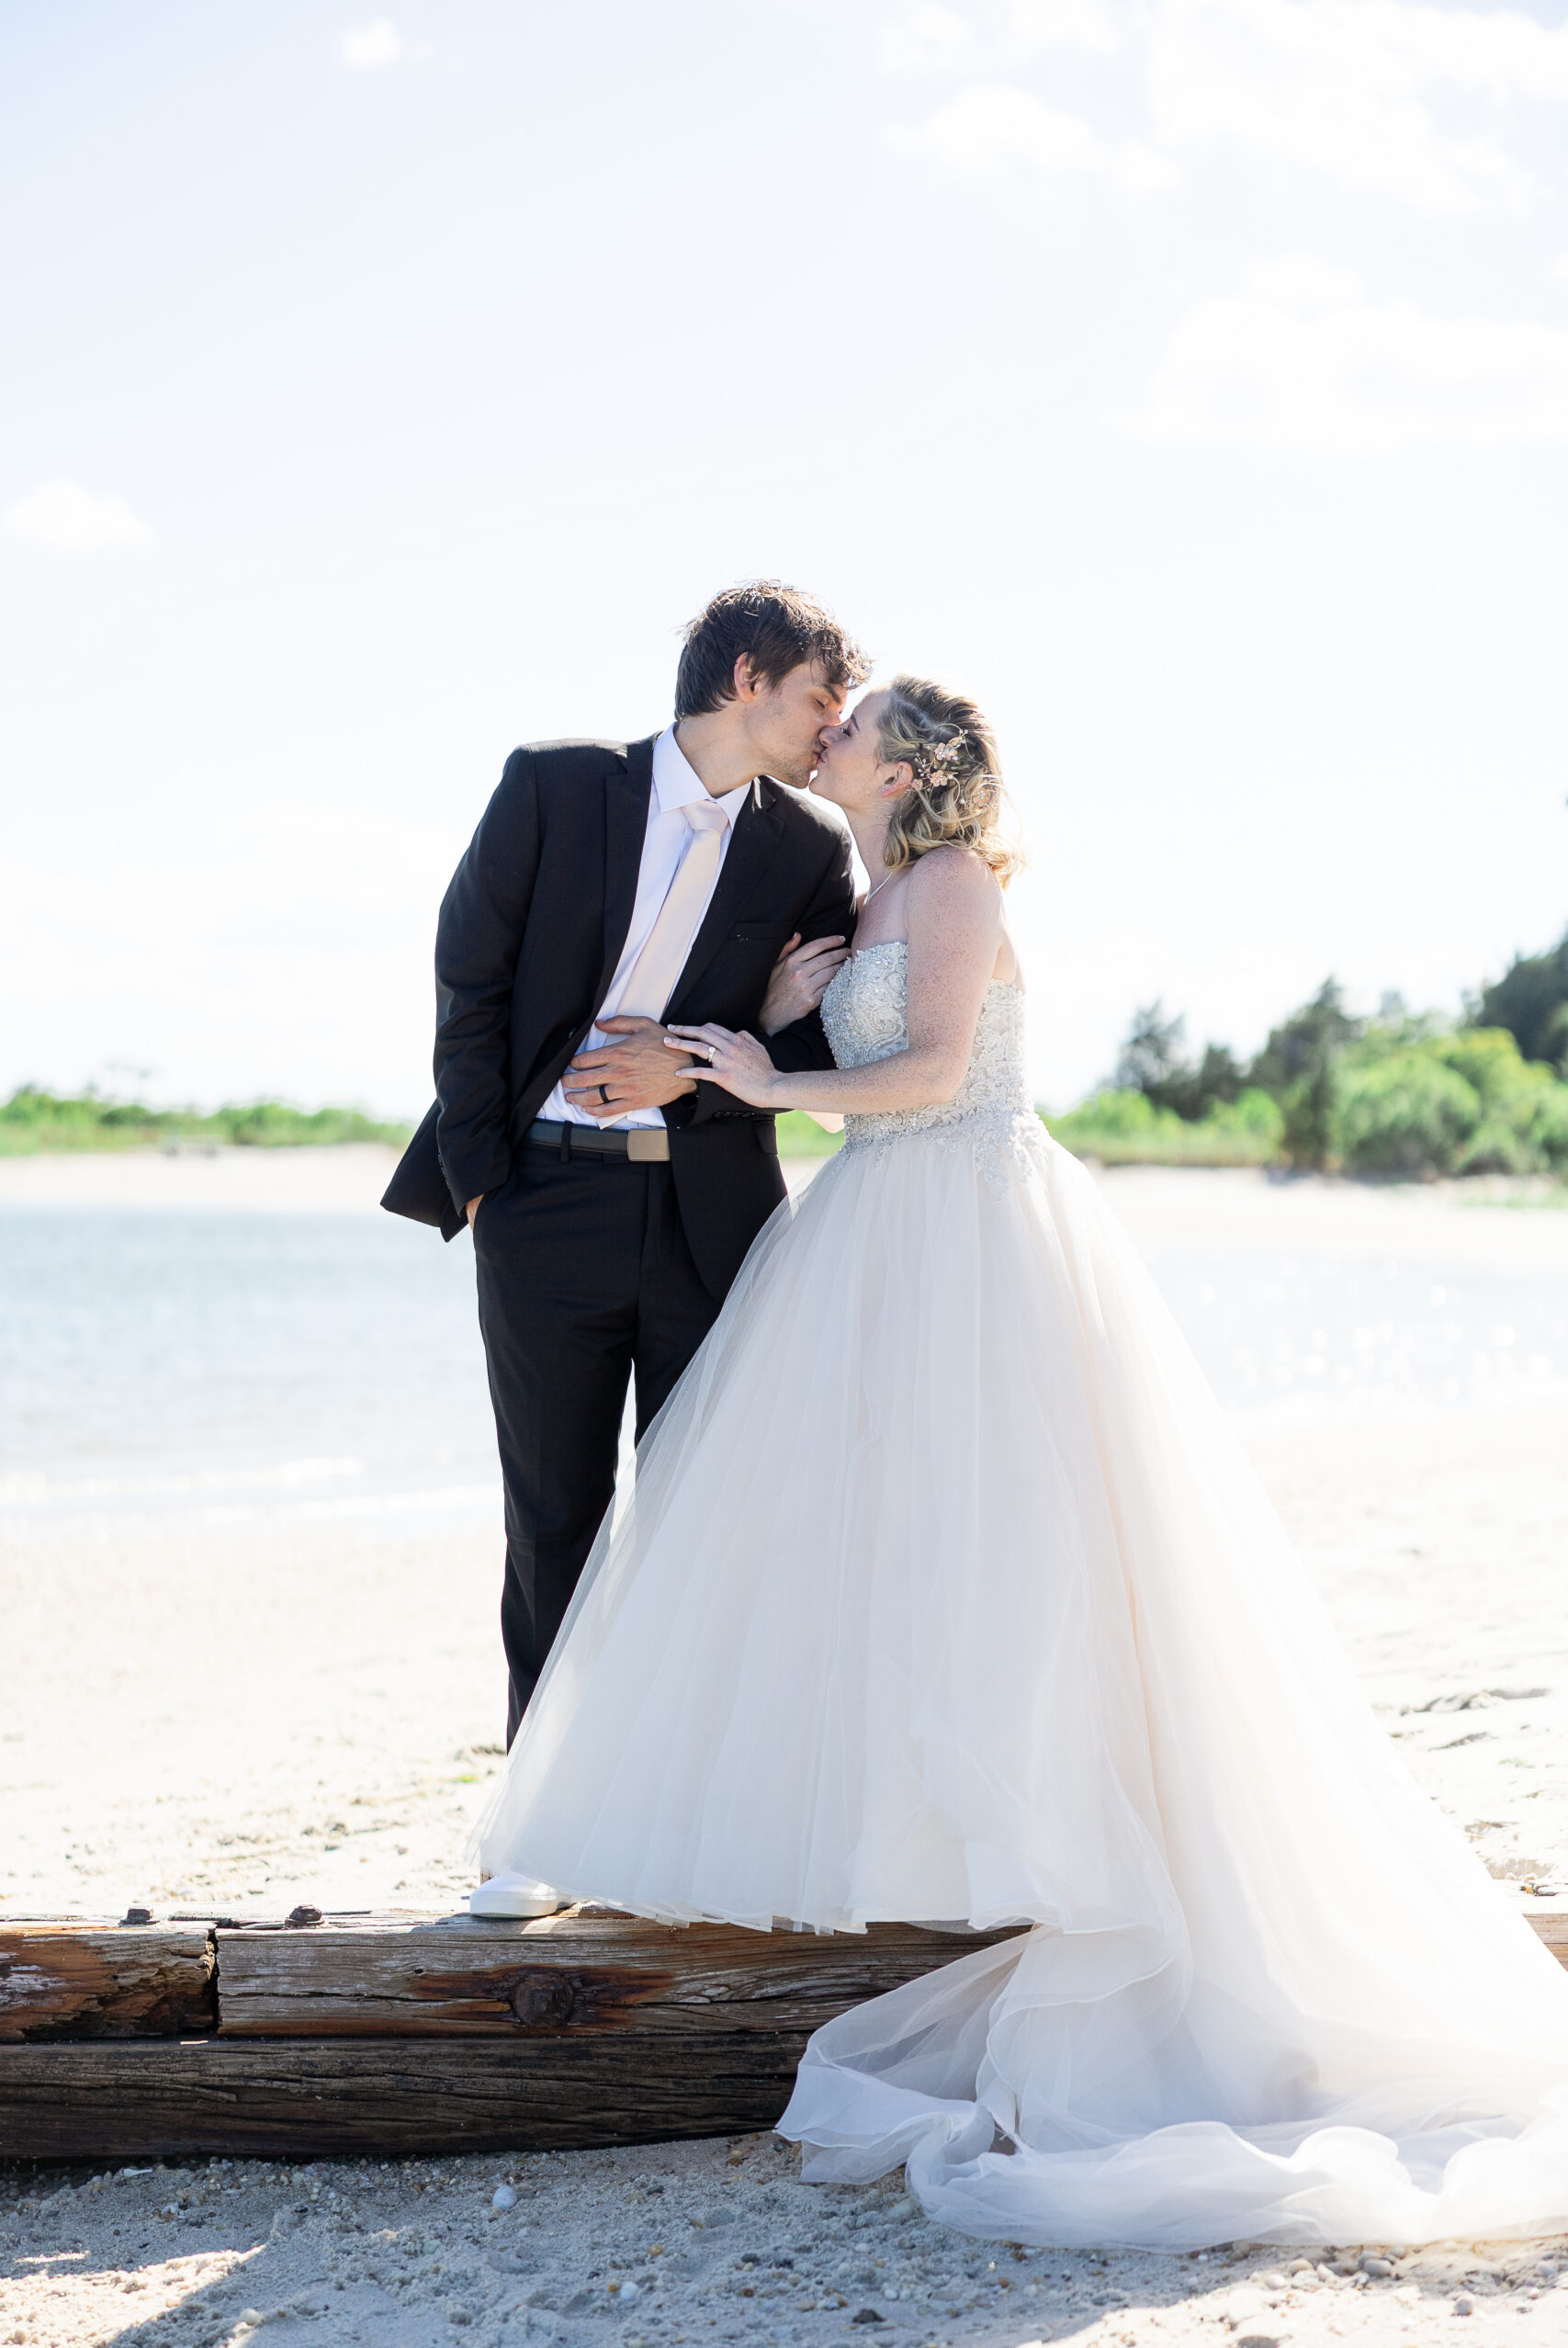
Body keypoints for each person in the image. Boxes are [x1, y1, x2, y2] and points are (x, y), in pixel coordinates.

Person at [469, 671, 1568, 2248]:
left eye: (853, 723)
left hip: (972, 1224)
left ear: (907, 766)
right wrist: (779, 1011)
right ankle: (895, 1838)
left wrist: (766, 1076)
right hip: (879, 1227)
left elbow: (930, 1073)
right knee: (862, 1537)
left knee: (1007, 1539)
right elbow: (863, 1058)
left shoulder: (955, 885)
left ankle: (1037, 1839)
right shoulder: (868, 891)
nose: (831, 733)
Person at [383, 581, 869, 1914]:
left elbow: (822, 1044)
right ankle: (538, 1835)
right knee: (555, 1519)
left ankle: (687, 1824)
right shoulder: (553, 785)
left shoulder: (808, 849)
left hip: (713, 1219)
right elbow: (469, 980)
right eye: (822, 694)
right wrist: (487, 1184)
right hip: (541, 1207)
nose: (834, 724)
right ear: (748, 677)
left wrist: (702, 1062)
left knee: (708, 1522)